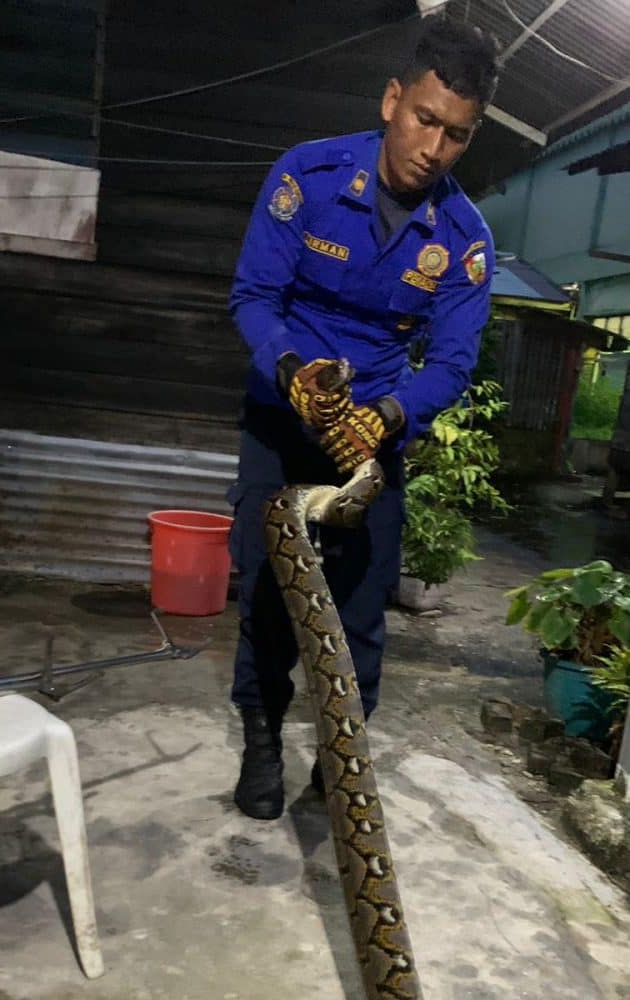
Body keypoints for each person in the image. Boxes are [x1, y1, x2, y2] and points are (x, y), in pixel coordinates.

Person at [227, 16, 500, 820]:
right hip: (281, 421)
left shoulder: (462, 239)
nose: (433, 147)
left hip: (369, 443)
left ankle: (336, 760)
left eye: (457, 135)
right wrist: (289, 370)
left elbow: (451, 362)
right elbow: (254, 297)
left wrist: (387, 413)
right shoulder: (305, 178)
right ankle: (262, 738)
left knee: (360, 609)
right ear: (392, 100)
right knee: (271, 597)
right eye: (424, 119)